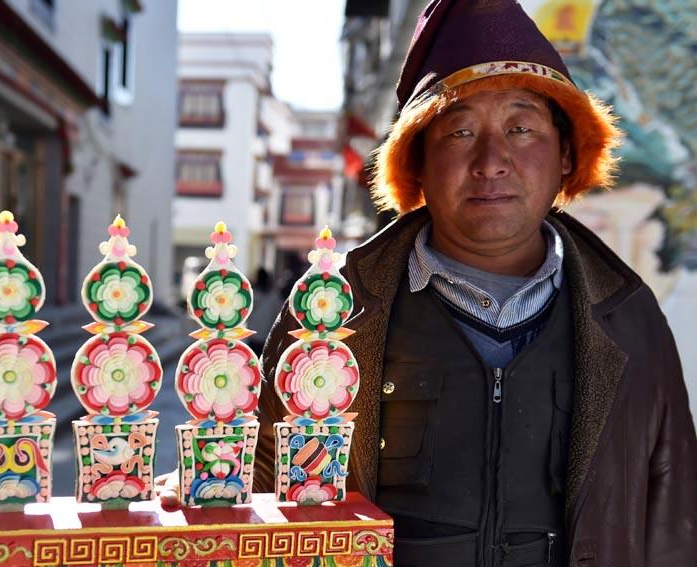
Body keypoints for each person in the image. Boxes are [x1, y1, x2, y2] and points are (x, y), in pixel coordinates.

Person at [254, 1, 697, 565]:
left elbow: (673, 513)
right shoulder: (332, 312)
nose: (492, 161)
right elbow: (263, 494)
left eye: (521, 128)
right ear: (416, 162)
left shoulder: (629, 317)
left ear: (565, 154)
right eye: (460, 131)